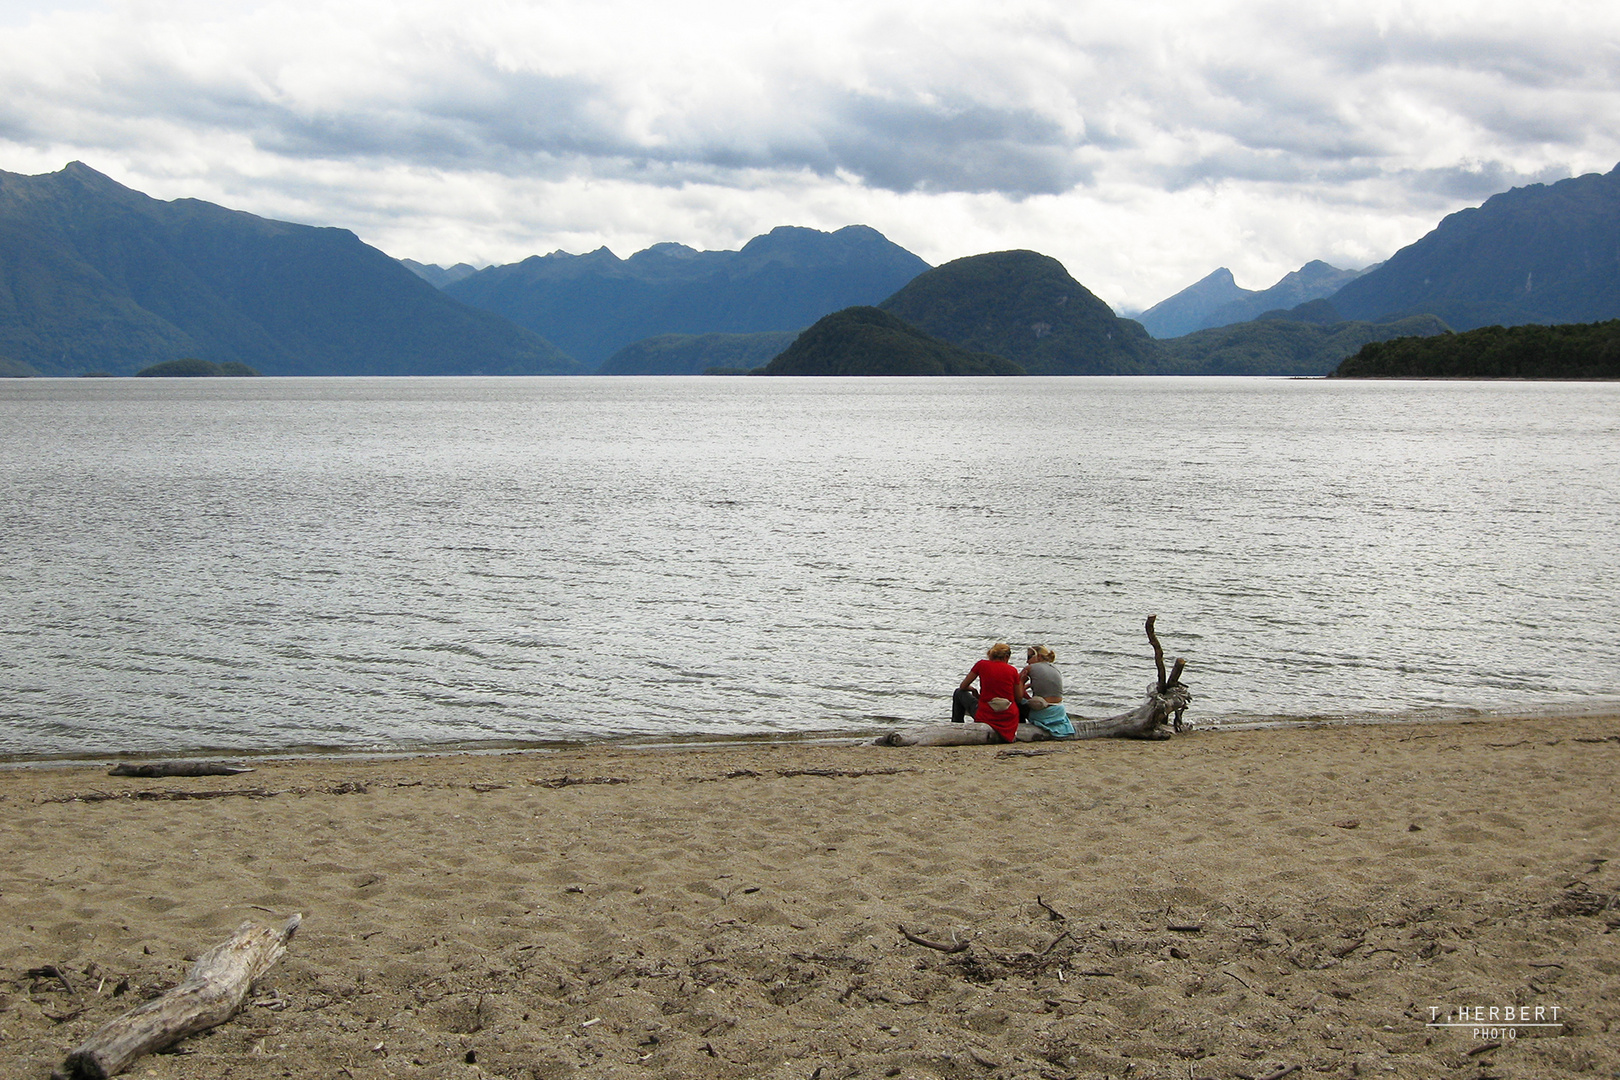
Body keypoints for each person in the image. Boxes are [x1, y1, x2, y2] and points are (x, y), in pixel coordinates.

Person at [957, 643, 1022, 743]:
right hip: (1007, 717)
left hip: (987, 714)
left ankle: (957, 725)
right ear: (1006, 657)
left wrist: (974, 690)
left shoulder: (982, 665)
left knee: (959, 693)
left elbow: (963, 686)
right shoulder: (1013, 670)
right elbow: (1018, 698)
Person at [1021, 644, 1075, 738]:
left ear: (1039, 656)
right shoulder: (1055, 669)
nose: (1027, 661)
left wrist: (1021, 683)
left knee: (1018, 701)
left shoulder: (1030, 668)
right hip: (1059, 711)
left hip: (1042, 713)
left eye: (1029, 657)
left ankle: (1018, 726)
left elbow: (1013, 686)